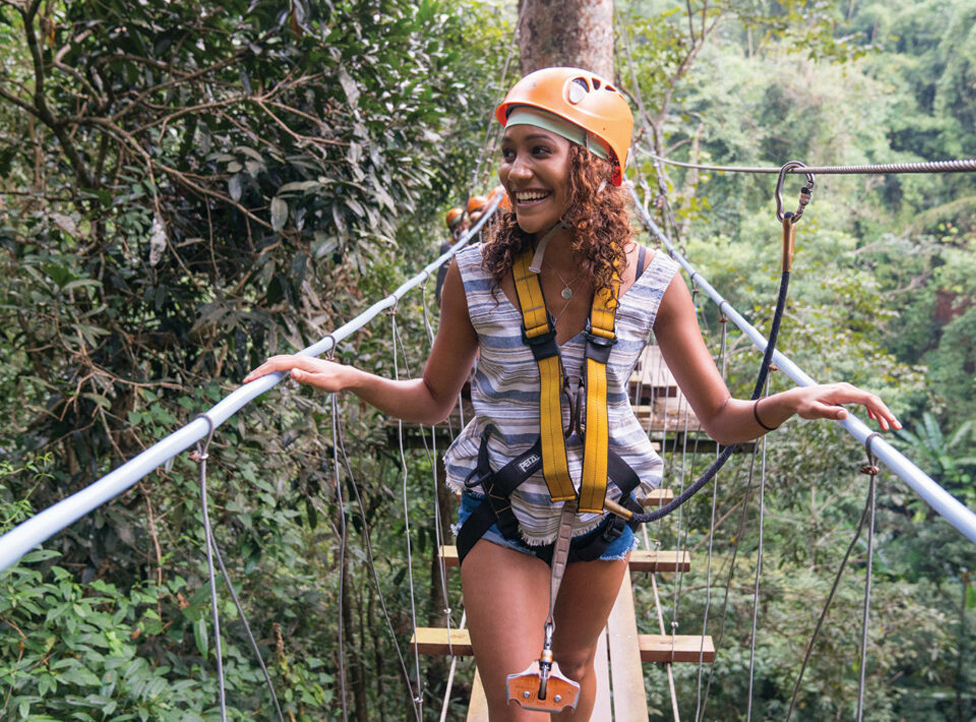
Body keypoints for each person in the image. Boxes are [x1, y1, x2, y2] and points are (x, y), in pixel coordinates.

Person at [245, 66, 900, 721]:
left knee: (576, 671)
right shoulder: (471, 275)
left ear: (592, 166)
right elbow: (434, 400)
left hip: (605, 514)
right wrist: (349, 378)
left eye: (538, 151)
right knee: (519, 705)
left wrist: (787, 403)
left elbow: (723, 420)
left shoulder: (653, 281)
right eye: (508, 152)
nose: (514, 170)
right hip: (501, 509)